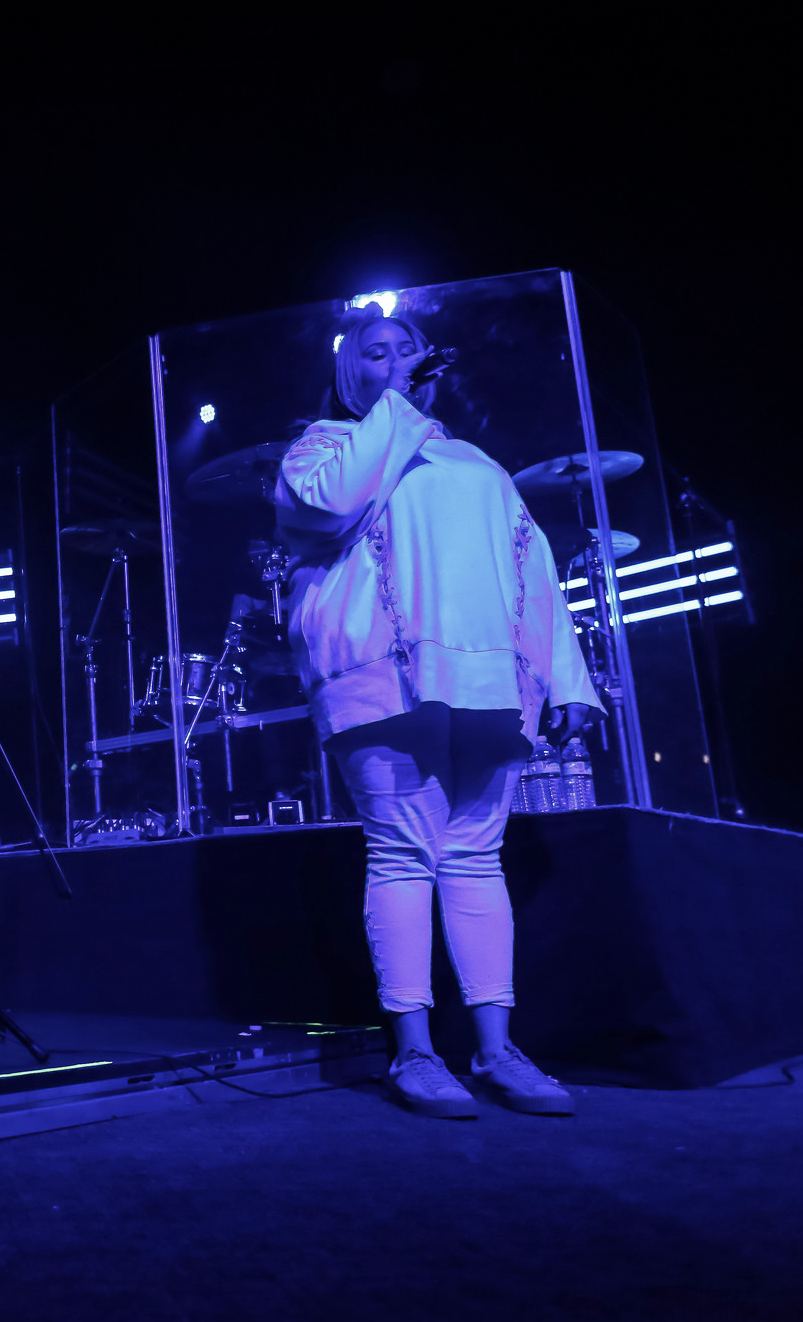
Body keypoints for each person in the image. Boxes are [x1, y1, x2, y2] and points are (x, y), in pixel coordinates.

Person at [274, 308, 601, 1119]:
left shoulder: (476, 460)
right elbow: (328, 504)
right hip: (381, 677)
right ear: (348, 373)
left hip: (490, 678)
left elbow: (534, 572)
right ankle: (413, 1054)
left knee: (475, 858)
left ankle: (496, 1050)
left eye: (407, 350)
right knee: (400, 855)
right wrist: (395, 401)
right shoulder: (322, 445)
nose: (394, 361)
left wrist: (569, 680)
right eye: (374, 353)